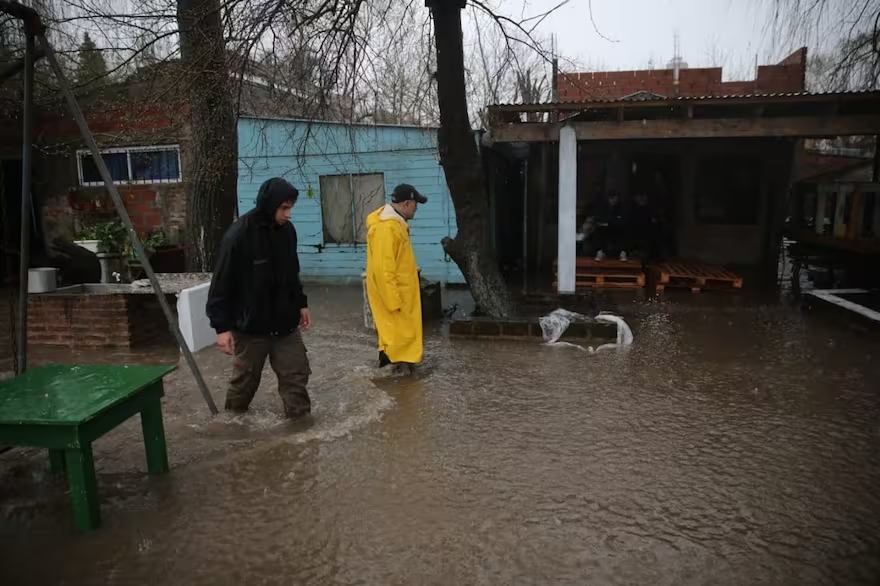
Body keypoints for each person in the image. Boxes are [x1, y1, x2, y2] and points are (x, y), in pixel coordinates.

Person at [206, 177, 313, 419]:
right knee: (244, 385)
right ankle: (232, 427)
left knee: (296, 378)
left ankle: (300, 430)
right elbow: (221, 284)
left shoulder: (288, 232)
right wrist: (221, 328)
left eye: (290, 208)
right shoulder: (239, 235)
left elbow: (292, 272)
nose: (288, 214)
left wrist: (302, 304)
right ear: (269, 205)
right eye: (284, 208)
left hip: (286, 326)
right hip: (251, 328)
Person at [364, 183, 428, 374]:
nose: (417, 208)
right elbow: (384, 269)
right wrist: (393, 301)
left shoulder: (395, 225)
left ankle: (401, 385)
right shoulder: (387, 228)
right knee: (397, 344)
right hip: (395, 300)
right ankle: (397, 391)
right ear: (407, 203)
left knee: (402, 343)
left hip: (401, 299)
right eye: (416, 204)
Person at [591, 190, 628, 261]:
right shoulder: (602, 208)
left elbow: (622, 221)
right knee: (598, 232)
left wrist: (613, 223)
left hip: (617, 230)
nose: (614, 200)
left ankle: (622, 252)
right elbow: (599, 220)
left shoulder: (621, 209)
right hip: (604, 230)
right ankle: (600, 252)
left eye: (615, 198)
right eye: (612, 198)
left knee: (624, 233)